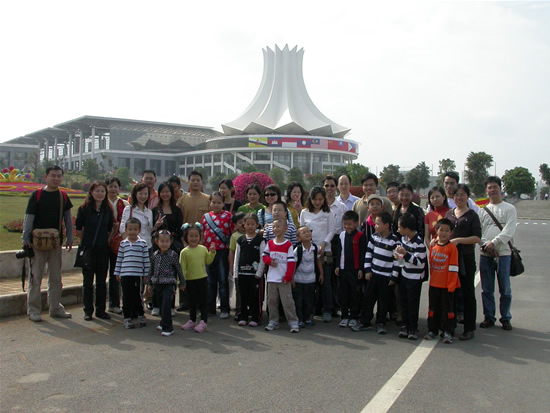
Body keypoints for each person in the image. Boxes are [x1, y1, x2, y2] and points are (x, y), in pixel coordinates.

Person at [22, 165, 74, 322]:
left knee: (56, 278)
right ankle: (33, 310)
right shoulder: (37, 195)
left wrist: (70, 237)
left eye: (59, 176)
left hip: (54, 244)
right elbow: (29, 218)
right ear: (46, 177)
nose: (56, 178)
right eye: (53, 175)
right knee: (35, 278)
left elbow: (68, 219)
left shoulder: (63, 196)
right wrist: (25, 239)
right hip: (36, 244)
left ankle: (55, 307)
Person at [478, 176, 517, 331]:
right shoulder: (482, 211)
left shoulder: (509, 208)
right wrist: (486, 245)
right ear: (486, 191)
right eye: (489, 187)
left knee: (505, 289)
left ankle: (505, 318)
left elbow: (509, 230)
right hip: (486, 254)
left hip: (504, 254)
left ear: (500, 189)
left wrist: (493, 243)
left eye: (495, 187)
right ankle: (489, 317)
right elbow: (478, 232)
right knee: (487, 289)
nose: (492, 190)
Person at [352, 212, 399, 334]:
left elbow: (397, 261)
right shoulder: (374, 237)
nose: (375, 226)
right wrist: (367, 270)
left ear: (386, 225)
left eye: (378, 224)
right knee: (368, 299)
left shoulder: (394, 241)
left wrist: (393, 277)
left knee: (383, 301)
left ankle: (381, 322)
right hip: (373, 275)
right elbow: (368, 254)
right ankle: (365, 321)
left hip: (386, 277)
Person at [445, 184, 481, 341]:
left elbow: (477, 238)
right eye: (456, 195)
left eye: (462, 194)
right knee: (450, 292)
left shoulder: (472, 215)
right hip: (450, 259)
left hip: (466, 259)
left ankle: (469, 328)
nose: (459, 198)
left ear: (467, 196)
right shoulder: (449, 214)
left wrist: (459, 240)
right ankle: (450, 326)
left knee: (467, 293)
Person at [75, 182, 114, 321]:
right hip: (88, 249)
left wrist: (104, 241)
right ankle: (88, 310)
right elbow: (78, 228)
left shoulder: (107, 210)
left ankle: (100, 310)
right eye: (97, 191)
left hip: (102, 249)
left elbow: (109, 229)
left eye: (102, 191)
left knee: (101, 282)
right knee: (87, 282)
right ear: (91, 192)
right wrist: (87, 241)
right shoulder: (84, 209)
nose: (100, 194)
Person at [299, 186, 336, 322]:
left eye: (320, 199)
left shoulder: (328, 212)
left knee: (325, 282)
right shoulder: (304, 212)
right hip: (308, 251)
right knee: (310, 283)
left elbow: (332, 230)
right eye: (315, 199)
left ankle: (327, 310)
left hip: (324, 251)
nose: (318, 202)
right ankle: (311, 310)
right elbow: (302, 230)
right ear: (311, 199)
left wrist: (324, 243)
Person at [425, 218, 460, 344]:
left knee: (448, 310)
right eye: (441, 230)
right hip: (434, 284)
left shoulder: (452, 248)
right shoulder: (433, 246)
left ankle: (448, 331)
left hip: (447, 286)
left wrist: (451, 285)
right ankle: (432, 330)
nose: (444, 233)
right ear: (436, 231)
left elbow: (454, 268)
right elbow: (431, 264)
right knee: (433, 309)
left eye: (447, 231)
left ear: (451, 233)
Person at [146, 231, 186, 336]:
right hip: (157, 284)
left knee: (166, 305)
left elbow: (178, 269)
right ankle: (163, 322)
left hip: (169, 284)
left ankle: (168, 328)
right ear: (157, 242)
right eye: (162, 241)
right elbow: (151, 270)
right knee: (160, 305)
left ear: (171, 242)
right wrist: (148, 283)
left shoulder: (173, 255)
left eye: (167, 241)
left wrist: (182, 282)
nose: (164, 244)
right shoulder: (155, 255)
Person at [262, 219, 299, 333]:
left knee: (287, 302)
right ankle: (273, 321)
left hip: (284, 280)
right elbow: (264, 256)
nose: (275, 229)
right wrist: (269, 261)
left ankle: (293, 322)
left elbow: (291, 262)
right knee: (272, 302)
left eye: (278, 226)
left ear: (285, 229)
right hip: (272, 279)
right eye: (273, 227)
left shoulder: (288, 244)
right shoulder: (270, 243)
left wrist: (288, 276)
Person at [394, 213, 427, 340]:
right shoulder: (404, 239)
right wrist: (399, 256)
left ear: (407, 229)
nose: (398, 230)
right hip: (404, 275)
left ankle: (413, 328)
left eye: (399, 227)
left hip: (414, 278)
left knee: (413, 303)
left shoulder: (419, 243)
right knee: (404, 302)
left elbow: (419, 262)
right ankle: (405, 325)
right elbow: (403, 260)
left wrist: (405, 254)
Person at [201, 191, 233, 318]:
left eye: (219, 202)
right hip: (209, 252)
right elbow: (202, 234)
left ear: (223, 203)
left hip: (223, 251)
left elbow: (232, 233)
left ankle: (225, 309)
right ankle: (210, 308)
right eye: (213, 202)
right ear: (210, 203)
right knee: (210, 281)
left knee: (223, 281)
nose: (216, 205)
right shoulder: (205, 217)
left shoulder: (228, 216)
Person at [114, 218, 150, 329]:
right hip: (125, 275)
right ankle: (127, 318)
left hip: (137, 275)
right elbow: (119, 259)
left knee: (137, 296)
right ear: (126, 230)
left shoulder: (142, 243)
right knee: (126, 297)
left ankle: (141, 315)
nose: (132, 232)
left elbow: (146, 260)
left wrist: (146, 275)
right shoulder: (123, 244)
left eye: (135, 229)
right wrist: (117, 272)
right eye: (130, 229)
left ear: (139, 230)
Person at [180, 224, 216, 333]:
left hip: (202, 279)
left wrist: (212, 252)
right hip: (190, 280)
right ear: (186, 237)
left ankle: (203, 322)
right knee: (192, 302)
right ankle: (192, 320)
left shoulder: (203, 249)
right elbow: (182, 268)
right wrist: (181, 282)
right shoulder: (184, 252)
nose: (194, 238)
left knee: (203, 301)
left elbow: (208, 261)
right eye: (191, 236)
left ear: (200, 237)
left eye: (196, 236)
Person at [334, 210, 366, 328]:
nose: (347, 226)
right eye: (345, 224)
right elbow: (339, 252)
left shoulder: (360, 236)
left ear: (356, 223)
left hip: (355, 269)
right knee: (343, 293)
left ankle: (354, 316)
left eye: (350, 224)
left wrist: (361, 269)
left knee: (355, 294)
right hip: (343, 269)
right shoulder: (342, 235)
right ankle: (344, 316)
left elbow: (362, 253)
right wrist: (337, 265)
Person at [234, 213, 266, 327]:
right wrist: (235, 273)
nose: (250, 226)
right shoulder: (240, 240)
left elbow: (263, 257)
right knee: (243, 296)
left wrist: (259, 272)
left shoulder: (260, 240)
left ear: (257, 225)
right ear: (244, 225)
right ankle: (243, 316)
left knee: (255, 297)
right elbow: (237, 257)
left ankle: (255, 317)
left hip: (255, 275)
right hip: (242, 273)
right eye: (248, 224)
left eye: (252, 224)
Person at [105, 177, 129, 314]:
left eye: (115, 186)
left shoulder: (124, 203)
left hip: (118, 244)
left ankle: (115, 303)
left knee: (116, 273)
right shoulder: (102, 202)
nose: (113, 189)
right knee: (102, 274)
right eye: (110, 186)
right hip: (103, 242)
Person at [293, 226, 324, 328]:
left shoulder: (315, 248)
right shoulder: (298, 249)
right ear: (298, 238)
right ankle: (299, 319)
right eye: (303, 232)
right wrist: (292, 278)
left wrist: (321, 273)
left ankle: (308, 318)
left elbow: (318, 260)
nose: (307, 233)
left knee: (309, 300)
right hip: (298, 279)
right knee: (298, 301)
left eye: (308, 231)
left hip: (311, 279)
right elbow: (293, 264)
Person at [152, 182, 184, 253]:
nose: (165, 194)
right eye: (162, 192)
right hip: (158, 246)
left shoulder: (177, 210)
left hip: (173, 245)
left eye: (167, 192)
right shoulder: (155, 210)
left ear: (171, 193)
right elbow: (151, 230)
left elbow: (180, 229)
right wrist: (156, 226)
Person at [120, 183, 154, 250]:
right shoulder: (128, 210)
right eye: (140, 194)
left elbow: (149, 231)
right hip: (133, 247)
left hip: (147, 247)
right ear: (135, 194)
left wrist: (156, 226)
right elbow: (123, 230)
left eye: (145, 194)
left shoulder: (149, 212)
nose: (143, 196)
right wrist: (128, 246)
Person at [229, 212, 246, 319]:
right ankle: (239, 310)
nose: (243, 225)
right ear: (235, 225)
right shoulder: (234, 236)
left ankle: (249, 310)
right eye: (240, 223)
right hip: (238, 267)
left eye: (245, 222)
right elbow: (231, 252)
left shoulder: (254, 235)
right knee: (239, 290)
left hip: (251, 268)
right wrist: (231, 267)